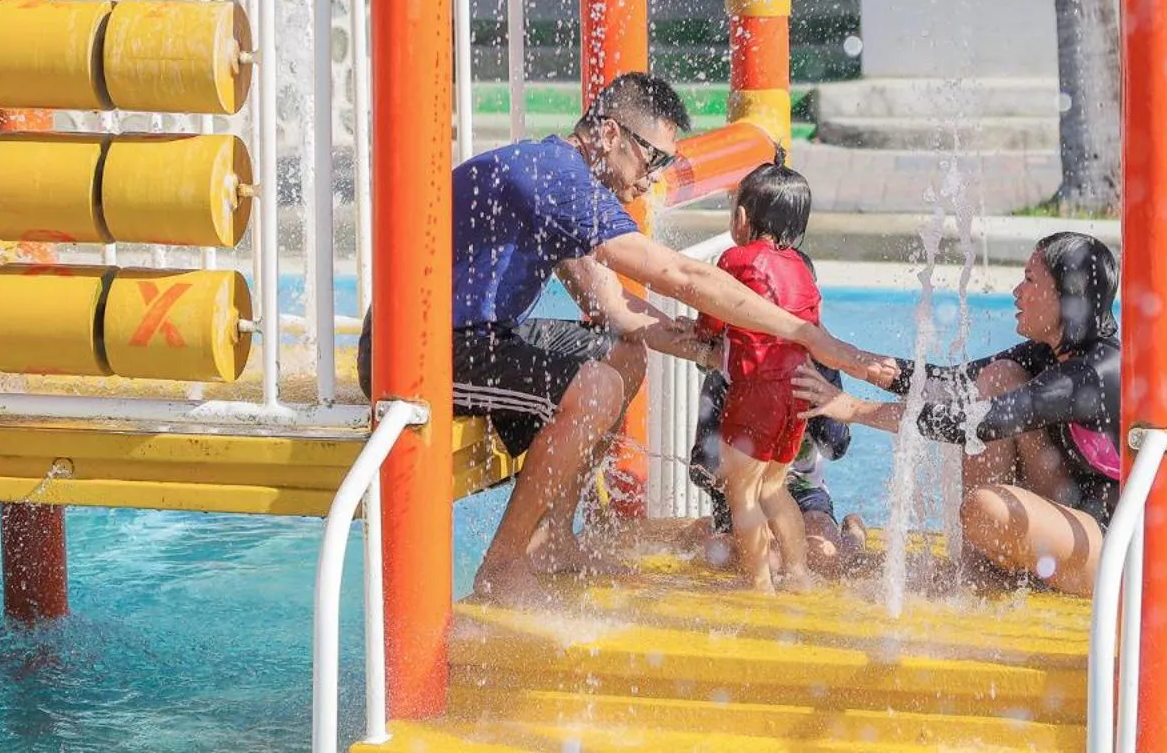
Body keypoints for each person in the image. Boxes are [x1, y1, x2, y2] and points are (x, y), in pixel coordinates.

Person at [356, 72, 893, 602]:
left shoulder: (556, 178)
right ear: (610, 134)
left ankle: (556, 538)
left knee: (622, 355)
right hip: (412, 356)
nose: (653, 178)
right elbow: (683, 277)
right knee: (596, 387)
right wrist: (807, 334)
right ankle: (502, 565)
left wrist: (710, 348)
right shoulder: (555, 179)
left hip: (477, 336)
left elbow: (613, 305)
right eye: (653, 158)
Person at [794, 231, 1120, 596]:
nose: (1017, 291)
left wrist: (855, 408)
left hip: (1106, 554)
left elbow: (975, 422)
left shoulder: (1091, 375)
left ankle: (996, 569)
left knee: (984, 509)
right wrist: (845, 357)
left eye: (1029, 280)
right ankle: (975, 569)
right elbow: (950, 384)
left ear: (1065, 296)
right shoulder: (1052, 351)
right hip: (1061, 519)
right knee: (997, 377)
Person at [690, 163, 826, 592]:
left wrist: (703, 338)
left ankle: (759, 586)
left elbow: (713, 314)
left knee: (742, 492)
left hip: (757, 391)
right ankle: (798, 574)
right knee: (773, 487)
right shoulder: (803, 271)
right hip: (798, 393)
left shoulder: (736, 259)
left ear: (743, 218)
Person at [690, 363, 869, 576]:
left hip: (805, 491)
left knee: (823, 558)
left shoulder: (816, 366)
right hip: (745, 494)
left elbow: (835, 447)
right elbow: (700, 466)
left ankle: (854, 535)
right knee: (764, 560)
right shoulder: (727, 369)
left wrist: (818, 397)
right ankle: (703, 531)